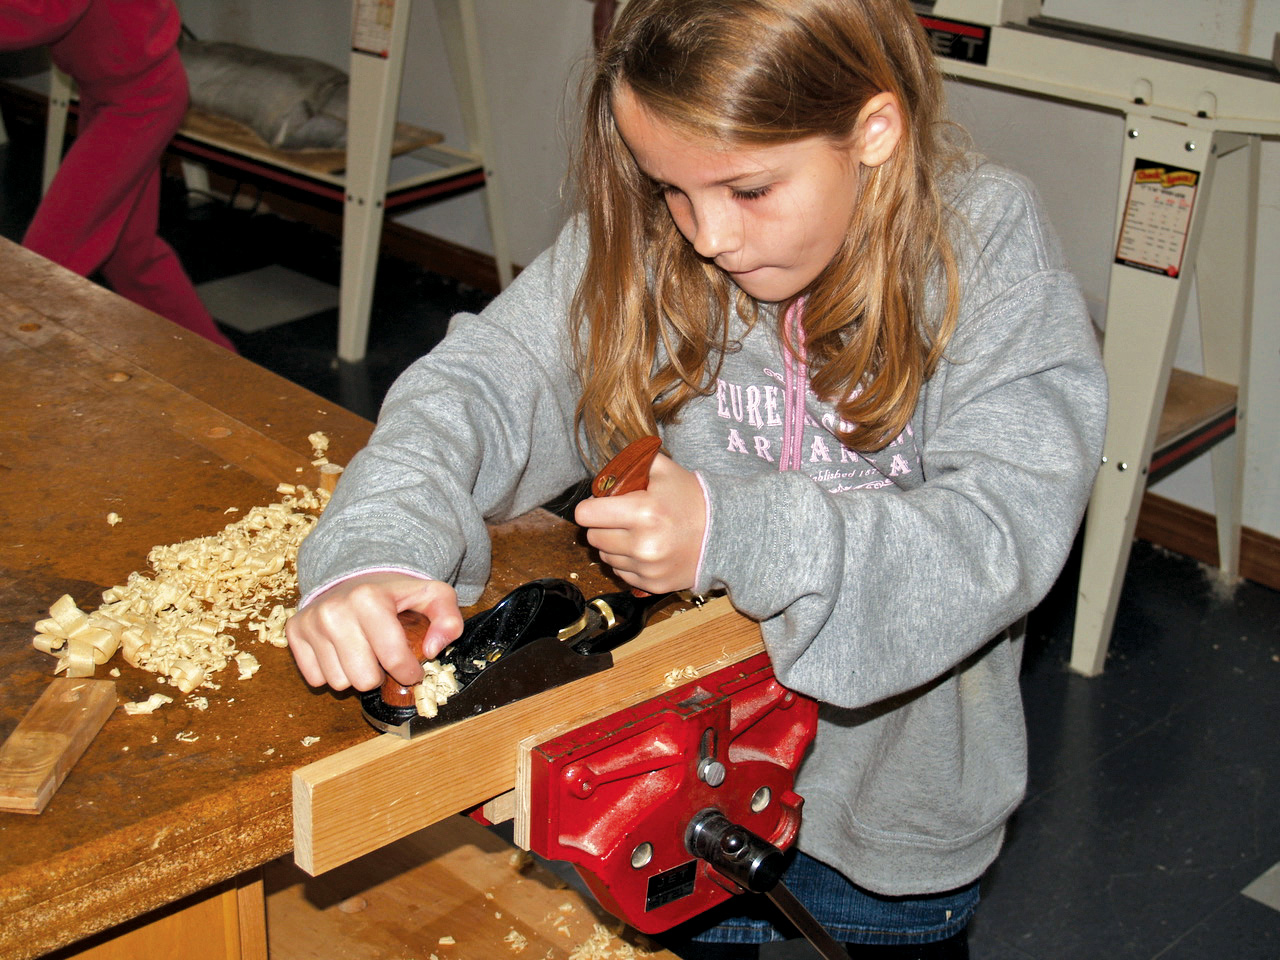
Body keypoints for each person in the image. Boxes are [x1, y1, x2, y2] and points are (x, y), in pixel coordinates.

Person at [286, 0, 1107, 955]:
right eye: (670, 188)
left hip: (891, 803)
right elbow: (483, 383)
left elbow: (1000, 535)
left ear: (873, 131)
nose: (707, 234)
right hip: (672, 773)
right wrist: (377, 549)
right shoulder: (658, 235)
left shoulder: (986, 246)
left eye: (750, 190)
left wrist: (735, 531)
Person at [0, 0, 236, 351]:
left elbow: (44, 11)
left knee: (43, 270)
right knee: (131, 257)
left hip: (138, 99)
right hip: (116, 90)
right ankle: (221, 376)